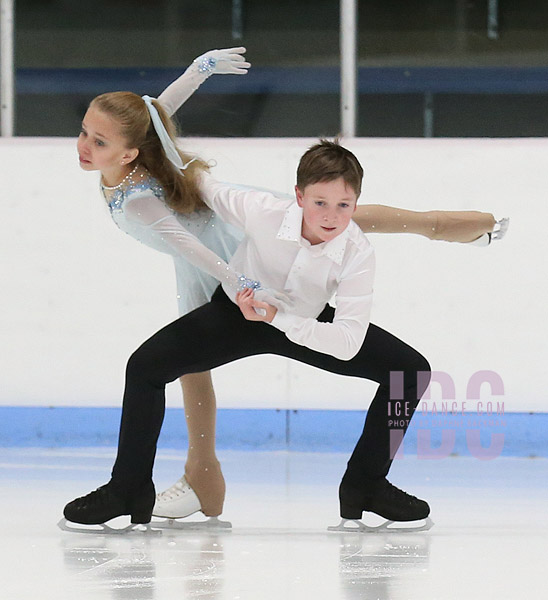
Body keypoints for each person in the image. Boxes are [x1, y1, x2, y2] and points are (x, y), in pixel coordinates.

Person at [75, 48, 507, 527]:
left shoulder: (346, 242)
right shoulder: (205, 195)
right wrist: (238, 281)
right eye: (86, 134)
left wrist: (284, 315)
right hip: (230, 289)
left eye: (98, 139)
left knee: (404, 355)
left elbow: (155, 121)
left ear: (131, 150)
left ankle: (364, 483)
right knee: (154, 367)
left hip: (280, 301)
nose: (85, 145)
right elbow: (177, 174)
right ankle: (148, 485)